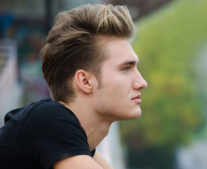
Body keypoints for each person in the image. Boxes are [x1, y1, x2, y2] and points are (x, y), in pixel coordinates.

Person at [0, 4, 148, 169]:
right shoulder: (49, 120)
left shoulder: (78, 147)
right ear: (85, 81)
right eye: (125, 68)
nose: (142, 82)